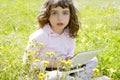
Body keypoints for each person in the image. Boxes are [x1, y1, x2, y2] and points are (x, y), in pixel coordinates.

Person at [23, 0, 98, 80]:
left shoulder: (69, 34)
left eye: (65, 13)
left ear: (70, 15)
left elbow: (69, 55)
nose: (60, 18)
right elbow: (27, 63)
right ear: (47, 15)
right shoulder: (40, 36)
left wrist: (70, 60)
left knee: (93, 60)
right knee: (56, 75)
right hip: (45, 73)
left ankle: (77, 78)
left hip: (64, 70)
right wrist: (50, 64)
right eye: (54, 13)